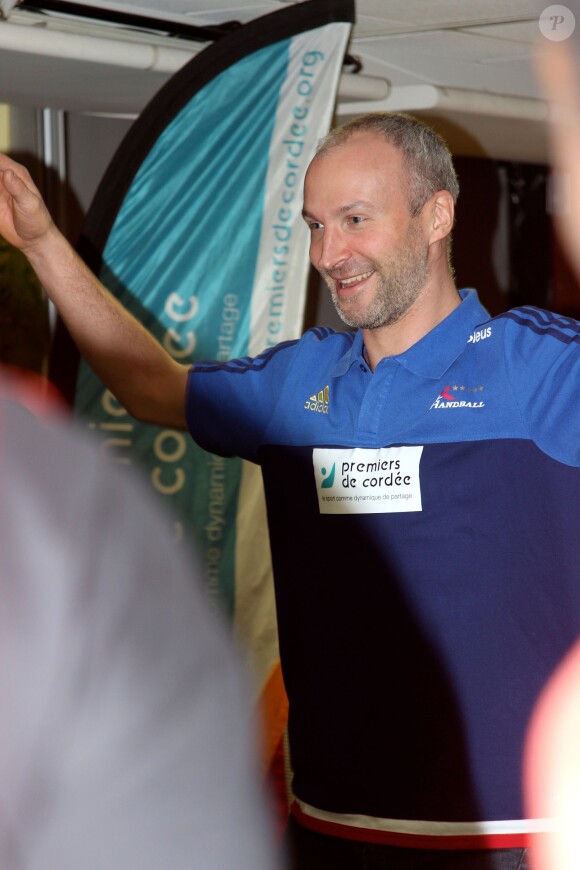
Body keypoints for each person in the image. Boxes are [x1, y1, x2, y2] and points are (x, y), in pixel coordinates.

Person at [2, 106, 579, 870]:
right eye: (314, 225)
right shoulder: (297, 381)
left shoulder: (535, 367)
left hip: (513, 837)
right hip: (330, 827)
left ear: (436, 215)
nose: (328, 252)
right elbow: (148, 387)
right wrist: (42, 242)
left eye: (354, 219)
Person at [0, 368, 281, 870]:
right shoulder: (68, 507)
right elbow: (149, 385)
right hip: (328, 806)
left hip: (455, 818)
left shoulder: (66, 510)